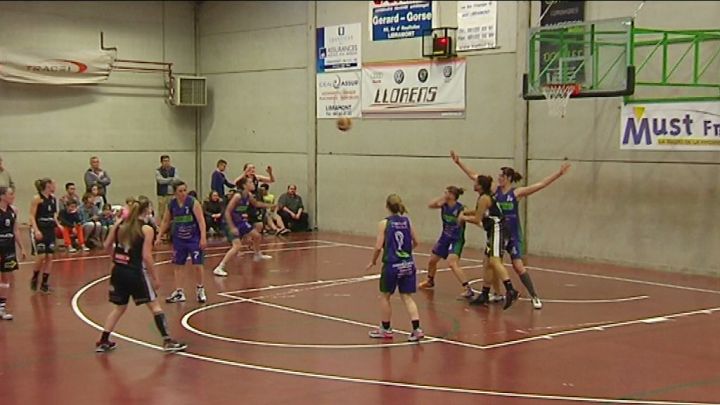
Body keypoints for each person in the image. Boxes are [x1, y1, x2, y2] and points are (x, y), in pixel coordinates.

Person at [451, 150, 571, 309]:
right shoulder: (494, 190)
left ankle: (533, 295)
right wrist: (459, 163)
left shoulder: (516, 193)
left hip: (511, 234)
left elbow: (540, 185)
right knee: (489, 262)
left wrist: (558, 174)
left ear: (507, 178)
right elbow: (475, 177)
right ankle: (493, 293)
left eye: (501, 176)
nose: (498, 178)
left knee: (517, 266)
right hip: (497, 231)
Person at [95, 196, 187, 353]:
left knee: (119, 308)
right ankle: (167, 340)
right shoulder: (146, 229)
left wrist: (116, 257)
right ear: (147, 211)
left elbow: (105, 245)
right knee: (155, 305)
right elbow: (146, 256)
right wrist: (155, 277)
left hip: (118, 270)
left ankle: (103, 340)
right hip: (135, 272)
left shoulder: (119, 224)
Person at [365, 194, 423, 342]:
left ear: (387, 206)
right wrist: (407, 252)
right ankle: (417, 329)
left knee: (385, 296)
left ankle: (386, 329)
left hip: (392, 264)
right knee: (407, 297)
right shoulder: (407, 221)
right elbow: (416, 241)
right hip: (408, 264)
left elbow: (378, 246)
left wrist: (373, 261)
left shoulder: (385, 223)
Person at [459, 175, 519, 309]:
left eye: (475, 182)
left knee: (494, 261)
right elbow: (479, 211)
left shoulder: (485, 198)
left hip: (498, 229)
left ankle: (510, 289)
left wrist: (463, 217)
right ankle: (485, 294)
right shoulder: (484, 197)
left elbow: (477, 219)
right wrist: (465, 212)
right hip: (493, 231)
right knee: (487, 262)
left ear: (480, 186)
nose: (473, 184)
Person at [418, 186, 475, 299]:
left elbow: (473, 216)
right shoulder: (443, 205)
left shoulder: (461, 208)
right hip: (445, 237)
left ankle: (467, 288)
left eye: (446, 193)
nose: (444, 194)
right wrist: (442, 197)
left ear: (452, 195)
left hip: (456, 239)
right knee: (432, 261)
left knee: (452, 263)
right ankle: (430, 281)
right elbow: (430, 205)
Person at [212, 176, 275, 277]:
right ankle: (219, 267)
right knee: (237, 246)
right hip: (229, 222)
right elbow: (227, 212)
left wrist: (270, 206)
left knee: (257, 236)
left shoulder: (248, 195)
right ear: (244, 185)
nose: (253, 184)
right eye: (250, 182)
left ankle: (257, 254)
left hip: (240, 221)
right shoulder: (238, 196)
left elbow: (256, 203)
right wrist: (232, 227)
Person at [157, 181, 207, 304]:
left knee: (197, 264)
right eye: (180, 191)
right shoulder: (172, 204)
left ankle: (200, 289)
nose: (183, 193)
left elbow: (201, 221)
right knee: (178, 265)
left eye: (185, 190)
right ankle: (179, 292)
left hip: (193, 238)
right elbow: (165, 221)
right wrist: (159, 236)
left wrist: (203, 237)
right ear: (175, 192)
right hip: (179, 239)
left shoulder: (193, 202)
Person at [0, 187, 27, 320]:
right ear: (2, 196)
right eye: (10, 194)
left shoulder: (14, 210)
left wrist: (22, 247)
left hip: (9, 248)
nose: (13, 196)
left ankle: (1, 308)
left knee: (6, 278)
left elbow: (15, 230)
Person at [29, 178, 59, 293]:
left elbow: (53, 214)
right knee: (41, 256)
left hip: (50, 230)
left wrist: (58, 224)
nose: (55, 186)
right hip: (41, 229)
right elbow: (32, 215)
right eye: (53, 184)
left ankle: (44, 283)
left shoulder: (53, 199)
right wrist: (36, 230)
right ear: (47, 185)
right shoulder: (37, 199)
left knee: (50, 256)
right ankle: (35, 277)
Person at [155, 155, 181, 231]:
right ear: (161, 162)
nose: (167, 162)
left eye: (168, 161)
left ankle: (171, 229)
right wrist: (171, 180)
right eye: (165, 161)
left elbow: (177, 180)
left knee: (172, 211)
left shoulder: (174, 169)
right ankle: (162, 230)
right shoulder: (158, 171)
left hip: (172, 194)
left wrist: (167, 180)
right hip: (162, 195)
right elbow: (160, 181)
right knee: (162, 212)